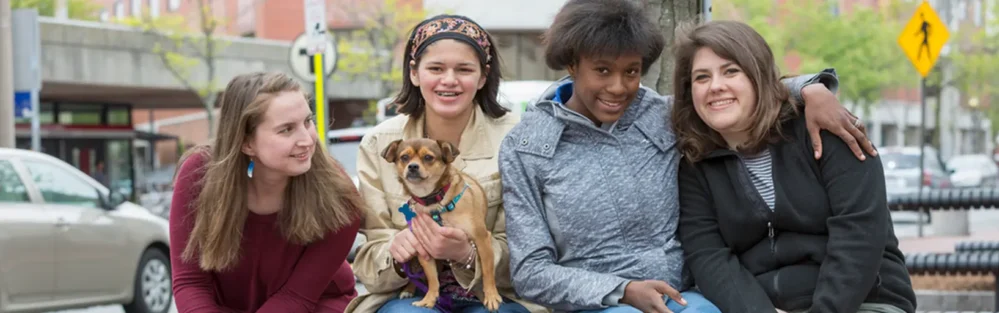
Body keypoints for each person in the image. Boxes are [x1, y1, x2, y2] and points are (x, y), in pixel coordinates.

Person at [498, 1, 876, 313]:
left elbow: (736, 92)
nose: (618, 87)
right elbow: (530, 272)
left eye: (631, 72)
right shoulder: (529, 147)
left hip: (689, 299)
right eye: (602, 71)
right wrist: (622, 290)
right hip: (598, 305)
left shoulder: (662, 115)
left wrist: (812, 89)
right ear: (571, 64)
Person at [671, 21, 916, 313]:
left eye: (731, 71)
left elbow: (859, 233)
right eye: (701, 77)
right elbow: (709, 258)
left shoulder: (828, 132)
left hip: (863, 302)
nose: (716, 86)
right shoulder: (695, 166)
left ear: (758, 76)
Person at [347, 14, 546, 313]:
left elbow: (535, 250)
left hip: (499, 295)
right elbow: (368, 256)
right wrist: (397, 253)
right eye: (436, 68)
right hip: (410, 296)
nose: (449, 80)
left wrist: (468, 254)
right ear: (414, 73)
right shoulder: (378, 143)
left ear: (482, 76)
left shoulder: (519, 138)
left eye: (464, 69)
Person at [169, 72, 364, 312]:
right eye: (286, 130)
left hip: (314, 305)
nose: (307, 140)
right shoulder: (198, 176)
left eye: (307, 121)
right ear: (246, 142)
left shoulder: (338, 194)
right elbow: (191, 284)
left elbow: (296, 297)